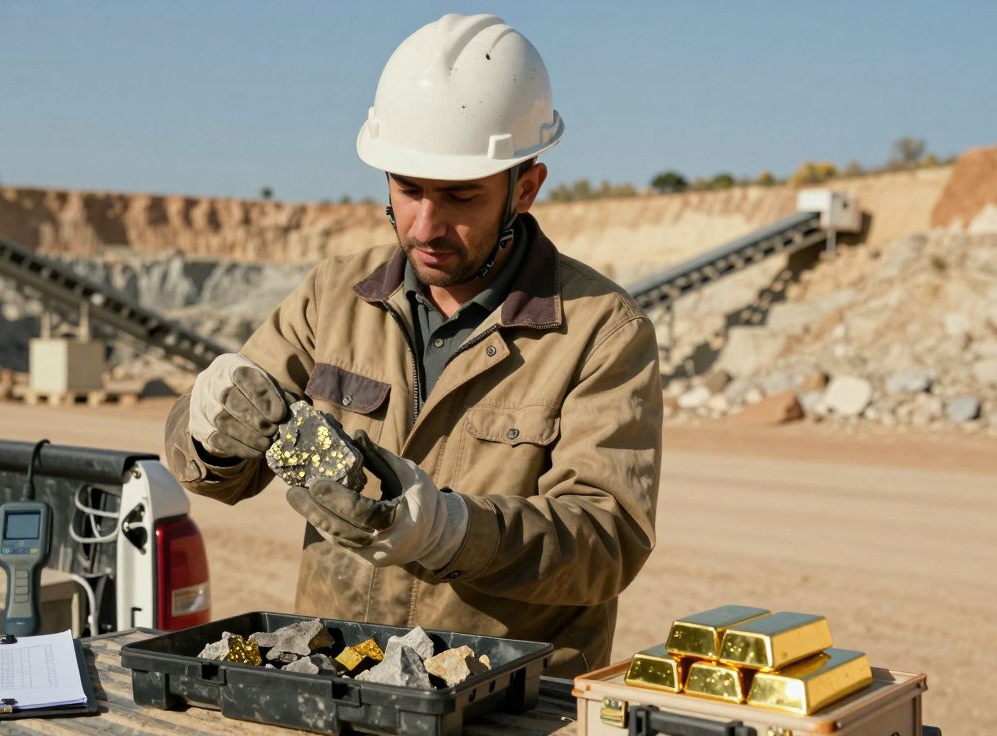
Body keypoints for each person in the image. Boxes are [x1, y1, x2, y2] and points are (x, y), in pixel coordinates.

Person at [164, 12, 662, 676]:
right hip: (342, 683)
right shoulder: (334, 297)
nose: (426, 225)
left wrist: (454, 532)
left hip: (504, 702)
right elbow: (222, 469)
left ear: (527, 188)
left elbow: (607, 543)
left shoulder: (599, 330)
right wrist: (205, 432)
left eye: (460, 196)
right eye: (408, 190)